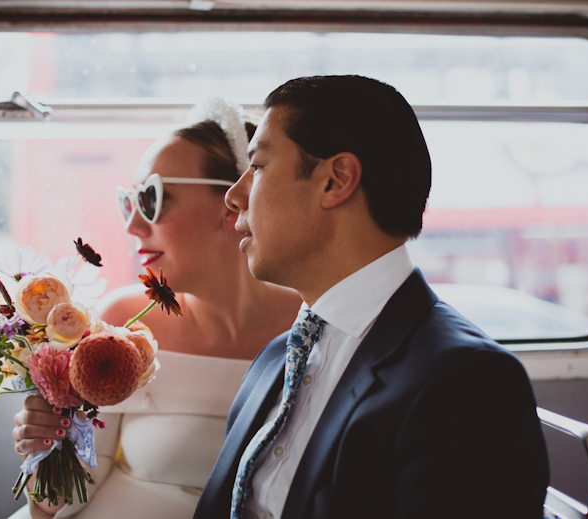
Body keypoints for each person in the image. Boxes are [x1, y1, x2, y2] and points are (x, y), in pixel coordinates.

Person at [193, 76, 550, 519]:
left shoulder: (467, 383)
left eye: (259, 166)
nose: (234, 195)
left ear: (336, 180)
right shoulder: (276, 358)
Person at [9, 98, 302, 519]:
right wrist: (44, 449)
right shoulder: (118, 321)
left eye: (151, 198)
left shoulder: (312, 328)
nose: (132, 226)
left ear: (231, 203)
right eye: (129, 201)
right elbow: (60, 503)